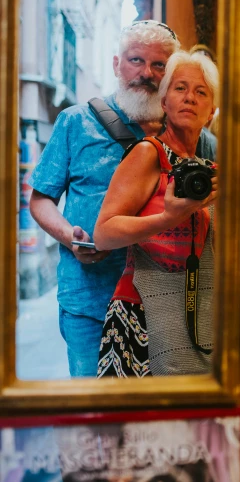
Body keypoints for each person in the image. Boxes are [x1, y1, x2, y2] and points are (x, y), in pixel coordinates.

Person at [28, 21, 217, 377]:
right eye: (135, 60)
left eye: (159, 65)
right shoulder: (75, 122)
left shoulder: (195, 135)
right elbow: (40, 199)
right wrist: (71, 237)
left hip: (167, 307)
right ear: (117, 65)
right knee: (97, 416)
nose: (146, 73)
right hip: (90, 298)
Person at [94, 51, 218, 377]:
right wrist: (167, 218)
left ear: (211, 113)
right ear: (164, 102)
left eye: (201, 91)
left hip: (195, 321)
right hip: (143, 321)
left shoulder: (212, 173)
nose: (189, 97)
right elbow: (104, 233)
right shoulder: (149, 154)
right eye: (179, 88)